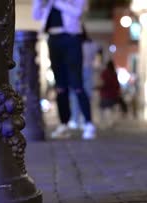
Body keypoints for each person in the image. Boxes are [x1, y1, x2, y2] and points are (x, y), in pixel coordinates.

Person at [33, 0, 96, 139]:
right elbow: (36, 15)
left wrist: (56, 2)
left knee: (77, 83)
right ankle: (64, 124)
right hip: (53, 39)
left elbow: (77, 12)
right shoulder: (49, 3)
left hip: (71, 39)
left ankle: (88, 124)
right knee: (60, 86)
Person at [68, 27, 100, 130]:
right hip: (88, 70)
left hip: (78, 69)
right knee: (86, 94)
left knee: (75, 95)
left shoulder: (74, 43)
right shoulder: (92, 45)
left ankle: (75, 119)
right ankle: (84, 119)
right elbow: (97, 55)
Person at [98, 60, 128, 127]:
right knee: (111, 109)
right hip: (113, 96)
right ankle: (111, 121)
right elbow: (117, 86)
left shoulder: (104, 73)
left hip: (105, 95)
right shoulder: (114, 74)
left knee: (104, 109)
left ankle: (105, 122)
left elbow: (101, 83)